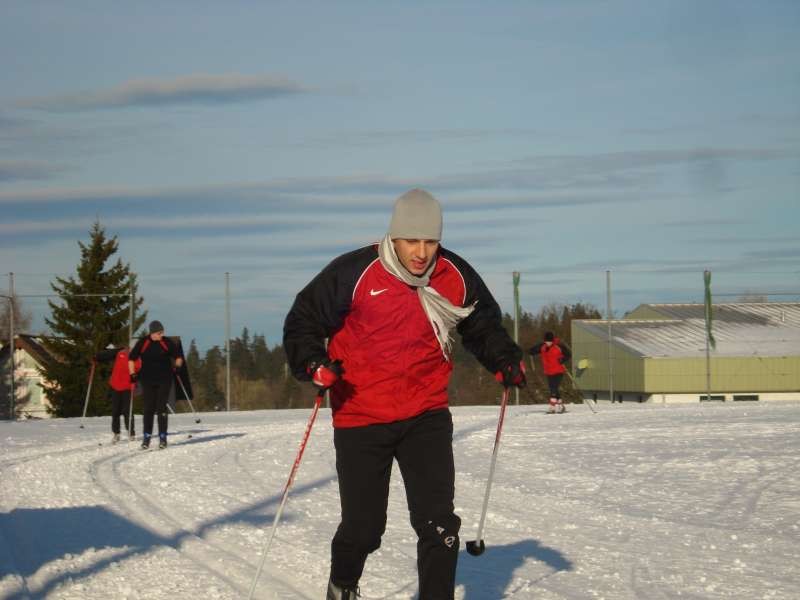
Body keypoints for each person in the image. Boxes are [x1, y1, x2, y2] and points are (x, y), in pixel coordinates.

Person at [283, 188, 526, 600]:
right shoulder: (355, 272)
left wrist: (504, 358)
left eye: (430, 241)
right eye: (412, 240)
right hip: (361, 414)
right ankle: (343, 584)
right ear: (394, 236)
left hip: (425, 413)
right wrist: (312, 362)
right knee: (363, 530)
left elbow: (481, 323)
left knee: (439, 524)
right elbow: (303, 319)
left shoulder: (453, 274)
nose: (421, 252)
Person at [128, 320, 183, 449]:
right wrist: (132, 374)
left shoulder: (166, 342)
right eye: (159, 333)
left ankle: (162, 437)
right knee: (148, 408)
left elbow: (178, 357)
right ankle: (146, 437)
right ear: (152, 333)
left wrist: (178, 367)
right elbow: (131, 358)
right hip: (147, 380)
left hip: (164, 379)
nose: (161, 335)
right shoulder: (143, 342)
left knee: (161, 408)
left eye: (162, 332)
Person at [93, 343, 140, 443]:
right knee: (115, 411)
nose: (131, 349)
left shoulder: (138, 358)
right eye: (130, 347)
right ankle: (116, 433)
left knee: (127, 411)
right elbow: (108, 354)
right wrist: (97, 357)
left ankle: (131, 433)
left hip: (128, 387)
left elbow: (139, 371)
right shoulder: (120, 352)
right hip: (116, 385)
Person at [529, 331, 572, 414]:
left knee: (553, 388)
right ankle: (561, 406)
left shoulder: (559, 346)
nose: (548, 343)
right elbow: (533, 350)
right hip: (549, 371)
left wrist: (562, 359)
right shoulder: (542, 346)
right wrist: (530, 352)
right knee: (554, 389)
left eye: (549, 341)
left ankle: (552, 407)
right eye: (546, 341)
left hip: (558, 370)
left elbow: (568, 354)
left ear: (552, 340)